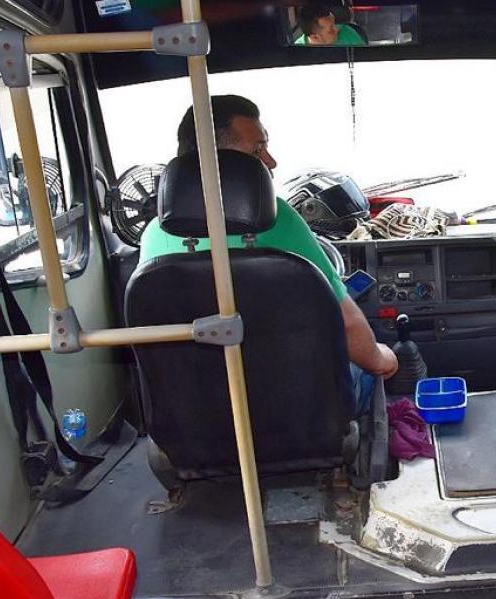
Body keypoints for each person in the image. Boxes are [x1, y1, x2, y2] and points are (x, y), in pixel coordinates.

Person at [138, 95, 398, 410]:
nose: (271, 162)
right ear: (218, 161)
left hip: (192, 425)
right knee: (373, 370)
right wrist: (382, 359)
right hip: (298, 418)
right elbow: (345, 323)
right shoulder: (279, 220)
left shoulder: (153, 237)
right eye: (257, 150)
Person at [294, 5, 367, 46]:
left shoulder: (347, 32)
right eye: (331, 29)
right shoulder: (297, 51)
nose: (337, 29)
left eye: (334, 23)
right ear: (315, 37)